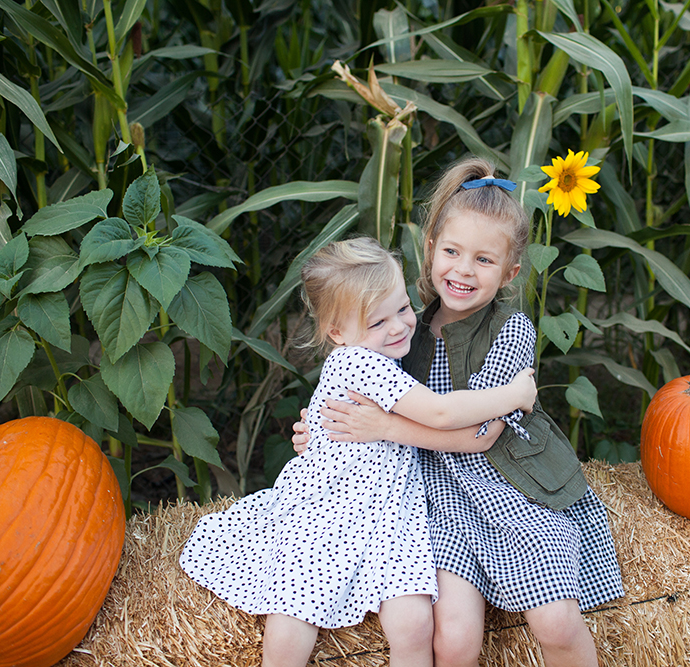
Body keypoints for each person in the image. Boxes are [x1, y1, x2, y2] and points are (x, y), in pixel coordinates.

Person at [295, 157, 624, 667]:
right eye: (451, 251)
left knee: (556, 624)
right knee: (453, 640)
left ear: (510, 272)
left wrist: (384, 426)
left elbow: (480, 434)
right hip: (438, 499)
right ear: (430, 250)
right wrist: (319, 430)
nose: (464, 270)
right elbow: (353, 393)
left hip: (511, 488)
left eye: (484, 260)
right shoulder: (401, 329)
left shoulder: (511, 330)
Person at [179, 236, 537, 667]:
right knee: (296, 604)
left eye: (402, 308)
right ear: (338, 333)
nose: (398, 327)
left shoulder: (383, 352)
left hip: (390, 512)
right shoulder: (359, 363)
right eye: (377, 322)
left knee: (414, 624)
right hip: (330, 508)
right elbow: (441, 413)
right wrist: (513, 394)